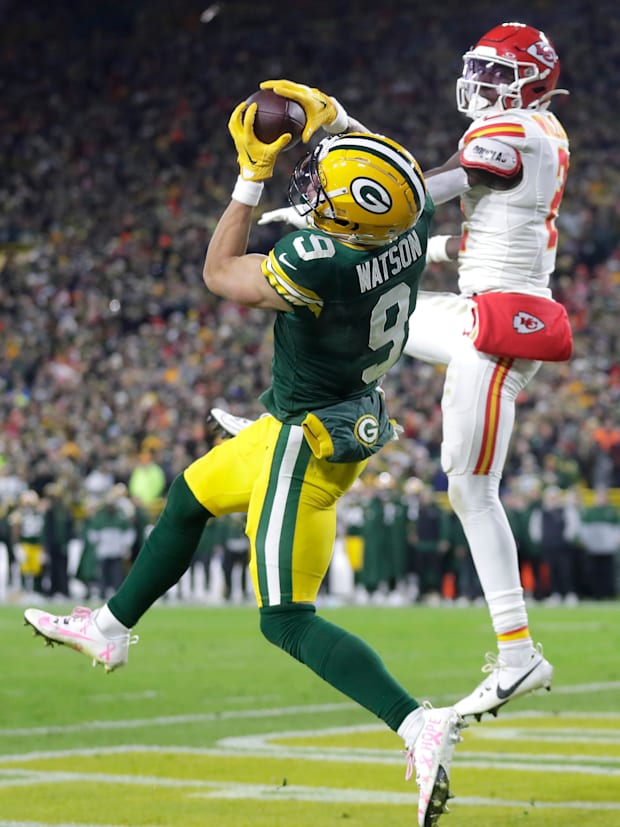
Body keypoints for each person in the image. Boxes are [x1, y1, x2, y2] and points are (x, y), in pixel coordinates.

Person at [24, 82, 464, 826]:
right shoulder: (409, 219)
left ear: (346, 219)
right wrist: (337, 119)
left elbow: (219, 271)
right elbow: (399, 174)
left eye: (324, 189)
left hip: (303, 441)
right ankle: (109, 628)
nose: (312, 187)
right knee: (191, 495)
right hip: (321, 414)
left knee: (284, 618)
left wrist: (250, 177)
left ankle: (416, 722)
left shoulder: (319, 263)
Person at [223, 22, 570, 720]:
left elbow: (411, 191)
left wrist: (338, 142)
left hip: (497, 326)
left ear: (531, 82)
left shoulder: (516, 133)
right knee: (367, 307)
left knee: (470, 487)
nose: (481, 83)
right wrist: (342, 132)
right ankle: (287, 422)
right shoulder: (535, 131)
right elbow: (438, 220)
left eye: (497, 73)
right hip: (481, 305)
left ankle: (517, 654)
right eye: (480, 68)